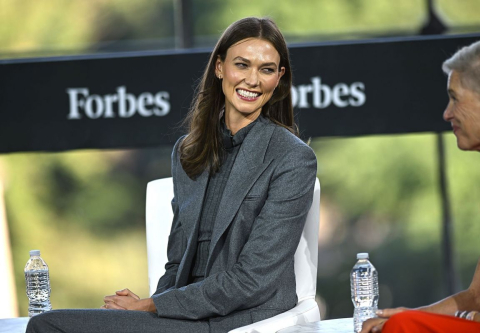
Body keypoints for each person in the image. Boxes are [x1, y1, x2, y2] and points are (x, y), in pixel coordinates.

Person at [26, 17, 317, 333]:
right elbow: (177, 264)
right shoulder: (189, 151)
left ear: (279, 78)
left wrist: (150, 307)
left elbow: (253, 280)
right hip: (182, 316)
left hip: (240, 319)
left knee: (48, 326)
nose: (252, 79)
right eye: (242, 65)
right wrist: (148, 306)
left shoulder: (292, 158)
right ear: (220, 68)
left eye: (266, 69)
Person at [362, 36, 480, 333]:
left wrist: (450, 321)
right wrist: (412, 315)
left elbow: (476, 313)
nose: (446, 113)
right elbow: (479, 297)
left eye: (455, 98)